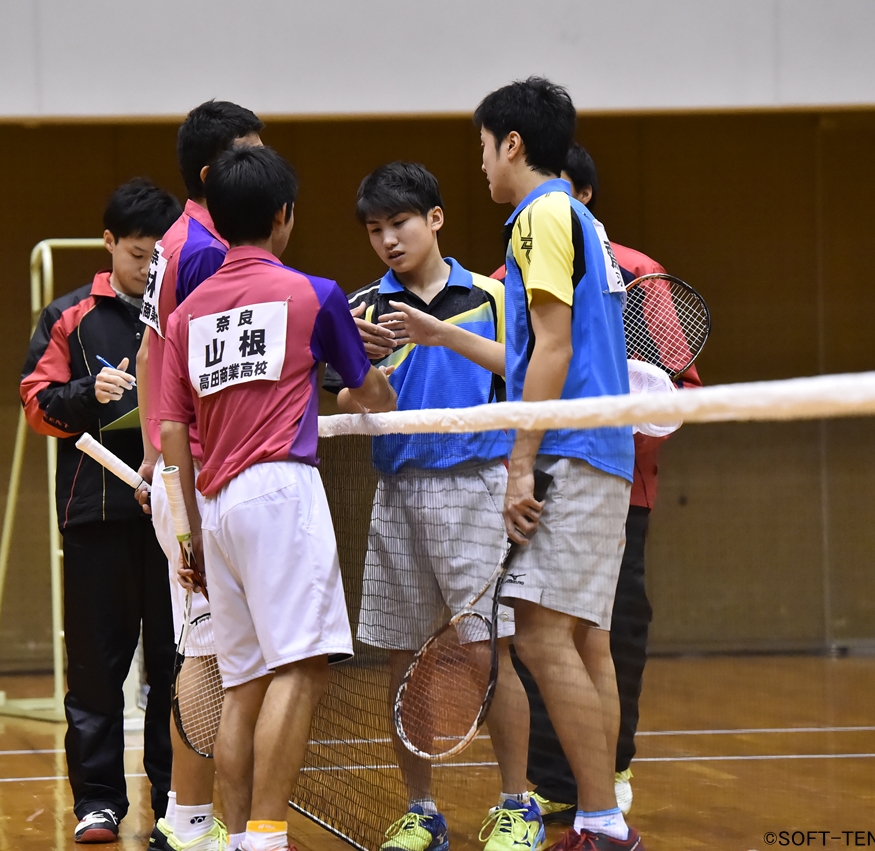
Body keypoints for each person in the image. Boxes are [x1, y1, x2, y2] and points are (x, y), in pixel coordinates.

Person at [158, 145, 396, 851]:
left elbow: (173, 429)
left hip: (214, 503)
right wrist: (372, 372)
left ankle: (239, 837)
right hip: (280, 492)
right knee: (301, 667)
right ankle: (265, 832)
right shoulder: (312, 293)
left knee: (242, 681)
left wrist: (188, 534)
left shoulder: (187, 314)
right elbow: (369, 392)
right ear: (283, 216)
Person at [323, 161, 543, 851]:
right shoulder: (358, 309)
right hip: (397, 494)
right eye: (375, 229)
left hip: (477, 485)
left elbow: (528, 373)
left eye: (401, 223)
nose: (388, 239)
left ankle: (518, 804)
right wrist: (365, 378)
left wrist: (519, 474)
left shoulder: (490, 294)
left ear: (436, 219)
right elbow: (341, 398)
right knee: (401, 657)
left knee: (492, 653)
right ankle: (421, 810)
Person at [502, 142, 702, 823]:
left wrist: (644, 386)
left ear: (579, 195)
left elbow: (678, 382)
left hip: (608, 473)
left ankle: (605, 792)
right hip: (584, 460)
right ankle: (579, 794)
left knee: (599, 634)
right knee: (572, 637)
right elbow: (525, 354)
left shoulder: (636, 271)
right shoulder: (538, 255)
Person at [475, 78, 645, 851]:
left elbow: (553, 345)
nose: (480, 165)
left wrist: (519, 461)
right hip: (606, 447)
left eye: (482, 147)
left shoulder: (540, 214)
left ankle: (604, 820)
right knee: (586, 641)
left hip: (569, 450)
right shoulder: (587, 221)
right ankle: (598, 815)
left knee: (540, 635)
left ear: (512, 143)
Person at [19, 178, 182, 844]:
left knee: (175, 668)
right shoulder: (68, 316)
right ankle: (98, 802)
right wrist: (89, 391)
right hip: (94, 518)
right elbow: (35, 403)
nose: (147, 270)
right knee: (95, 670)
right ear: (109, 243)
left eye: (157, 257)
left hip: (171, 520)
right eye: (137, 254)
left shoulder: (183, 311)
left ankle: (177, 798)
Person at [132, 100, 264, 851]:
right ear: (218, 173)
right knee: (210, 649)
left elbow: (153, 355)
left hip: (183, 471)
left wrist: (154, 446)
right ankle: (188, 821)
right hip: (203, 478)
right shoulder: (210, 250)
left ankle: (191, 818)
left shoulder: (179, 237)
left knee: (206, 645)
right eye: (252, 156)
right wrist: (183, 467)